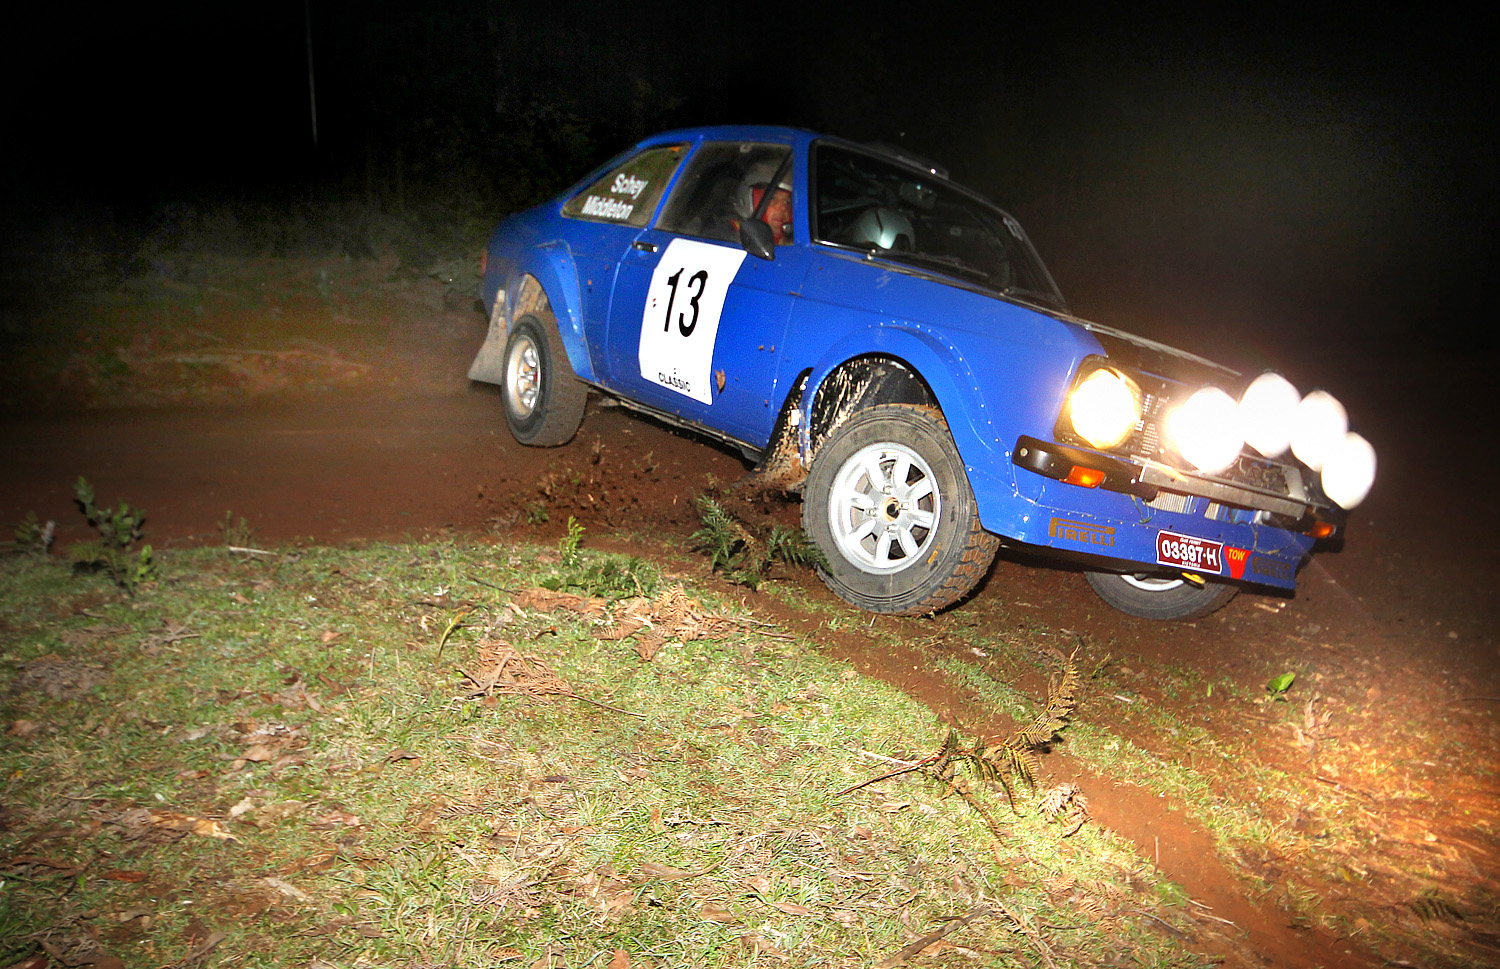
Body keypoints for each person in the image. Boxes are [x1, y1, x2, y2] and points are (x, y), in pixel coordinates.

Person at [733, 158, 794, 245]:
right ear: (748, 199)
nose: (783, 208)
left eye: (787, 202)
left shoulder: (791, 242)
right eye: (772, 198)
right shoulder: (729, 240)